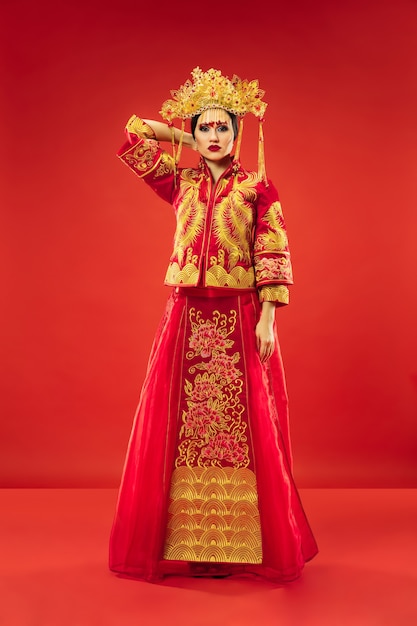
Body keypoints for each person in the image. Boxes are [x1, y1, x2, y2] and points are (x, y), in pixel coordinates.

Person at [109, 67, 318, 583]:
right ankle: (185, 539)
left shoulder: (257, 188)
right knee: (180, 426)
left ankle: (239, 544)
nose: (215, 136)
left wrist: (268, 319)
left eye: (224, 127)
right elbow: (133, 136)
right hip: (185, 315)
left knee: (241, 429)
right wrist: (184, 136)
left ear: (238, 133)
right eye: (206, 127)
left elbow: (272, 251)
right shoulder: (178, 182)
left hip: (238, 316)